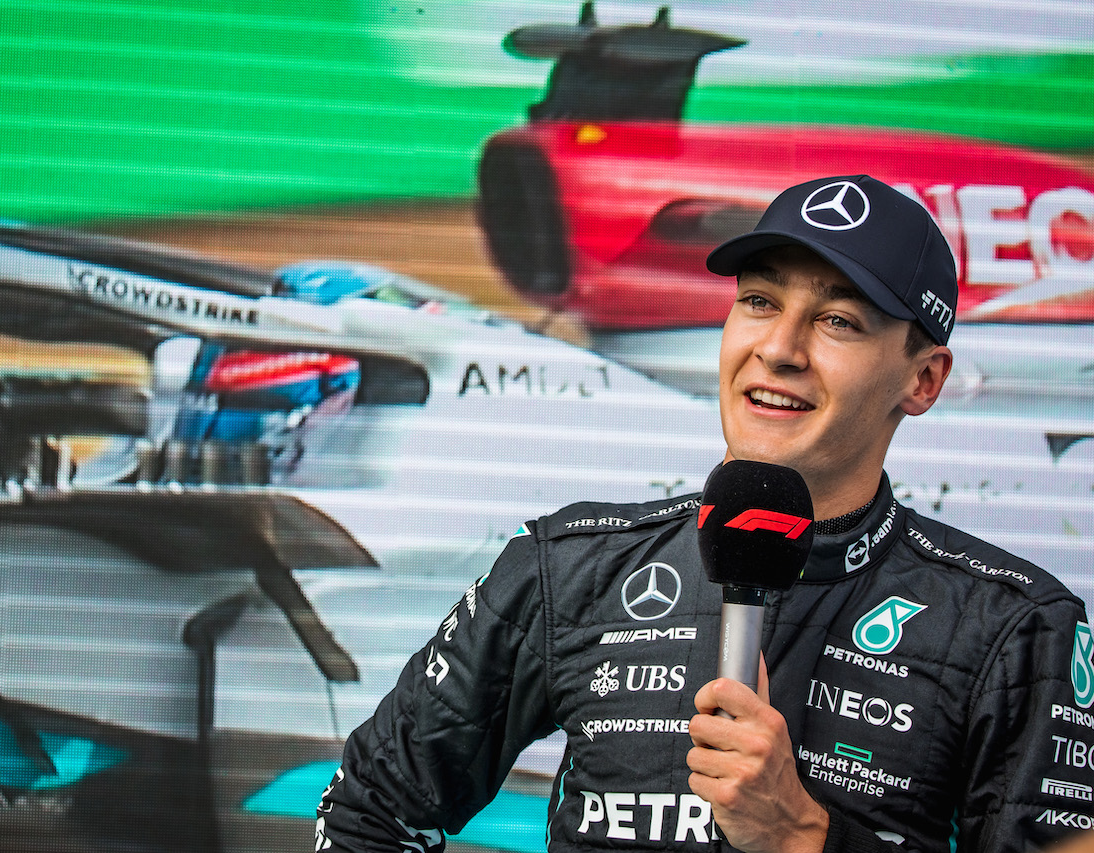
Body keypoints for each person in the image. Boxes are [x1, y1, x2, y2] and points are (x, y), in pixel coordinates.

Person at [314, 175, 1094, 852]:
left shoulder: (1017, 629)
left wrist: (803, 836)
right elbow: (368, 810)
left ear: (922, 381)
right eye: (759, 300)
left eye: (838, 321)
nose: (779, 348)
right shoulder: (566, 568)